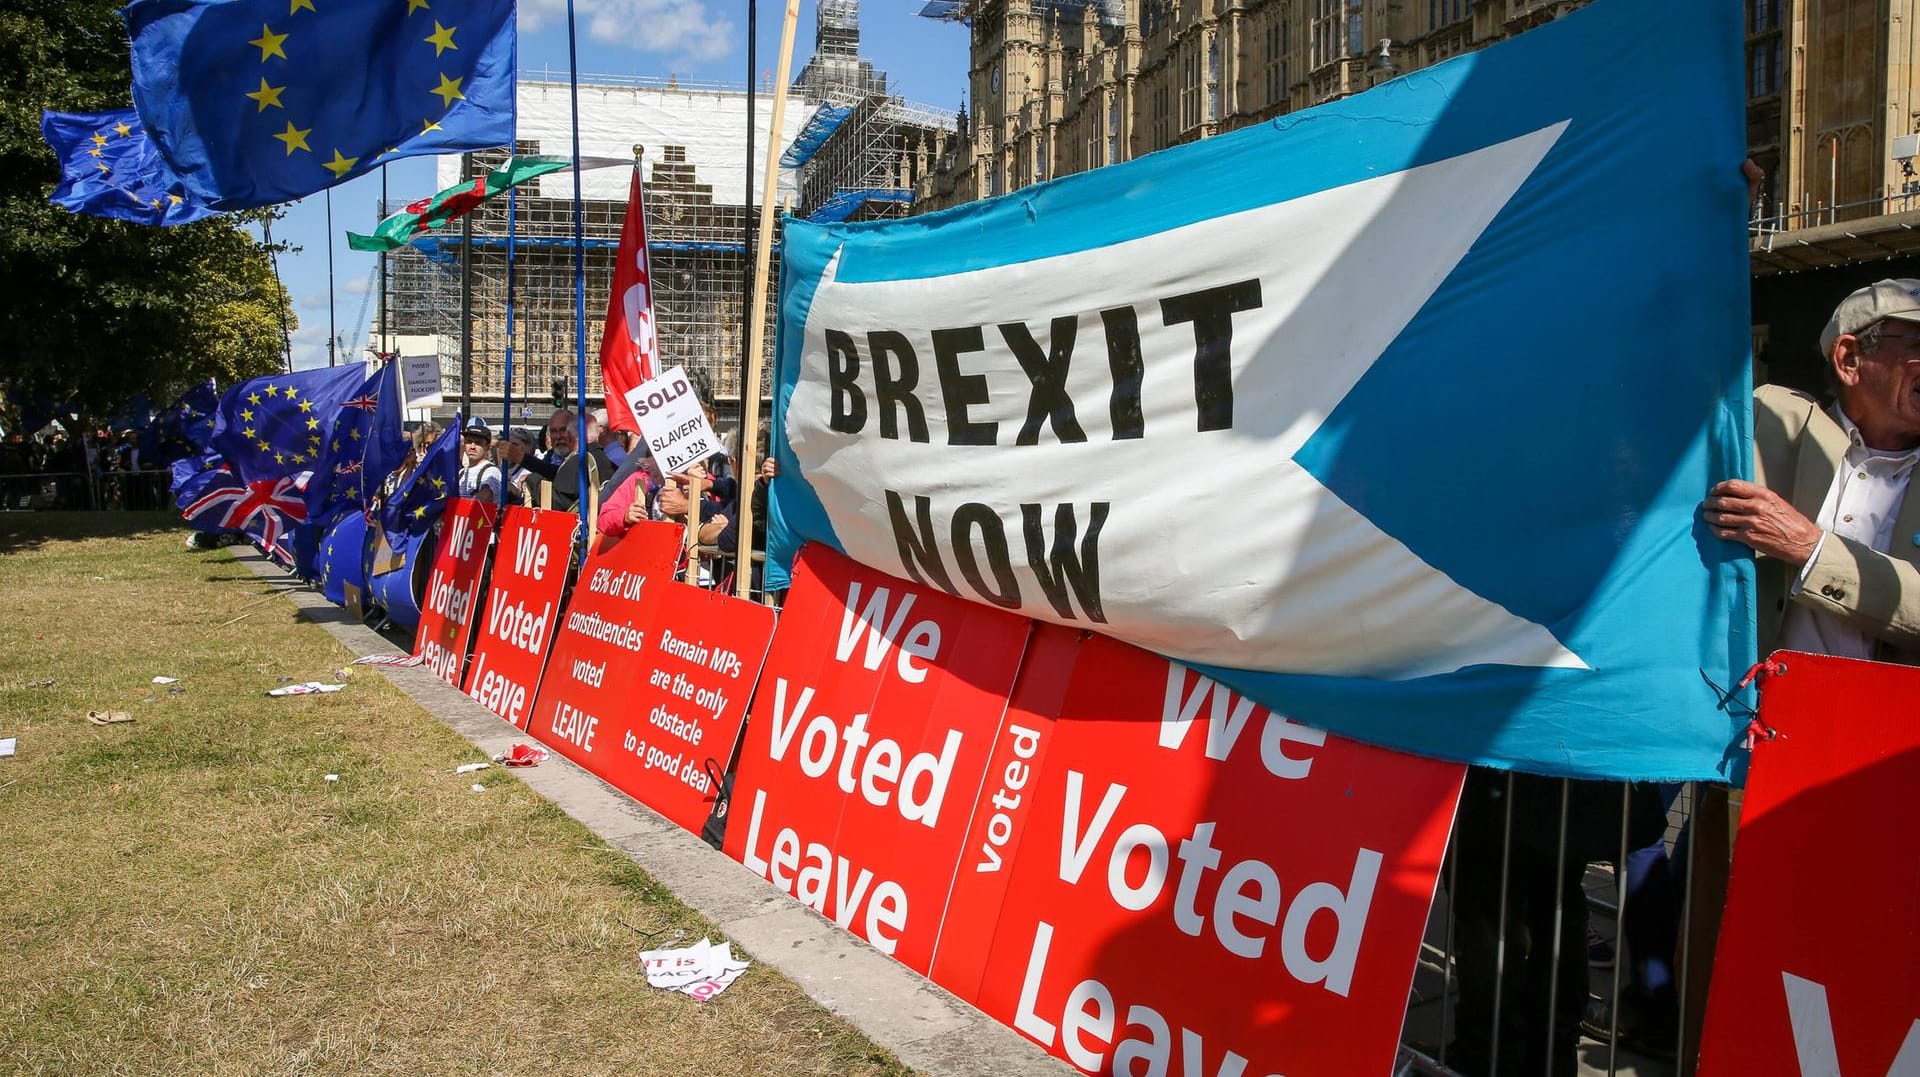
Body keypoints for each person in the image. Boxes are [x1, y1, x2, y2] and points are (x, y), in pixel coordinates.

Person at [457, 423, 501, 505]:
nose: (472, 447)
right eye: (469, 442)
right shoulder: (461, 472)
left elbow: (483, 500)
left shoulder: (492, 472)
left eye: (478, 443)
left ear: (487, 447)